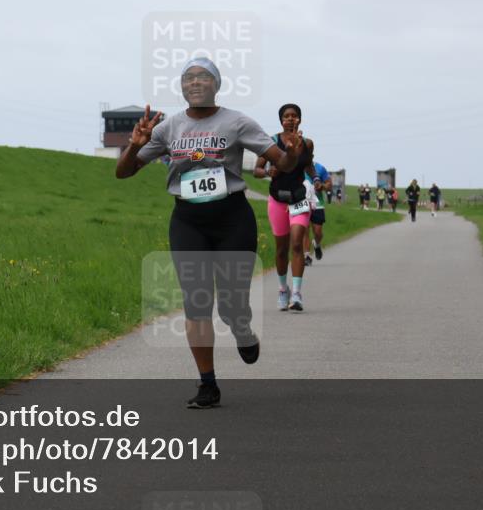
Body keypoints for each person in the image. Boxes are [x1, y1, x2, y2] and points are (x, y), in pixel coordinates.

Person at [116, 58, 305, 409]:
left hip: (232, 217)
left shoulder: (236, 122)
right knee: (196, 302)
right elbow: (123, 172)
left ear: (217, 85)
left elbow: (282, 162)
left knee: (232, 303)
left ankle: (243, 331)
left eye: (203, 77)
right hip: (188, 221)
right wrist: (134, 144)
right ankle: (207, 384)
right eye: (188, 78)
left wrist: (292, 155)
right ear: (182, 87)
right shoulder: (168, 127)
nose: (195, 83)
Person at [253, 104, 320, 314]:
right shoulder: (271, 142)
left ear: (300, 120)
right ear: (281, 120)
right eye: (286, 116)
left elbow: (309, 165)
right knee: (281, 249)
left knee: (297, 243)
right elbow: (256, 169)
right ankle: (283, 289)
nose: (290, 119)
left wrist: (316, 178)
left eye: (294, 116)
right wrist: (266, 172)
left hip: (299, 199)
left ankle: (297, 294)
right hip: (277, 199)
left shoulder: (307, 143)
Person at [303, 161, 330, 263]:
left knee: (318, 232)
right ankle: (306, 256)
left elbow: (329, 184)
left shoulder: (320, 168)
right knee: (305, 230)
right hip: (302, 203)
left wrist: (322, 186)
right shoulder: (296, 165)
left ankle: (316, 244)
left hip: (317, 204)